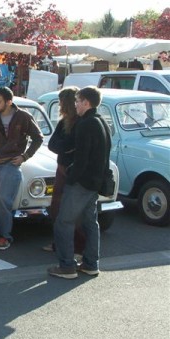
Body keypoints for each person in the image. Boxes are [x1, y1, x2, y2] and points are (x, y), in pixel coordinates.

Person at [49, 86, 110, 279]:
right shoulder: (101, 121)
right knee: (90, 223)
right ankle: (91, 264)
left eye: (77, 101)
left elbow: (82, 157)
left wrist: (72, 176)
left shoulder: (86, 123)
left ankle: (67, 266)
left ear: (86, 102)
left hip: (81, 183)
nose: (75, 105)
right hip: (94, 182)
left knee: (64, 222)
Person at [0, 87, 43, 251]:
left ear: (9, 102)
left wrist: (24, 157)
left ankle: (4, 236)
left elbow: (38, 138)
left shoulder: (23, 117)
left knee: (4, 201)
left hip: (11, 164)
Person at [42, 87, 85, 255]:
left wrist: (65, 149)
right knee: (58, 209)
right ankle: (60, 243)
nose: (59, 105)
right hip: (63, 167)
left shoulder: (79, 122)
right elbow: (53, 144)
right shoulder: (65, 121)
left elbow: (64, 145)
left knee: (70, 210)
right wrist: (65, 149)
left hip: (71, 170)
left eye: (61, 102)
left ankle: (76, 247)